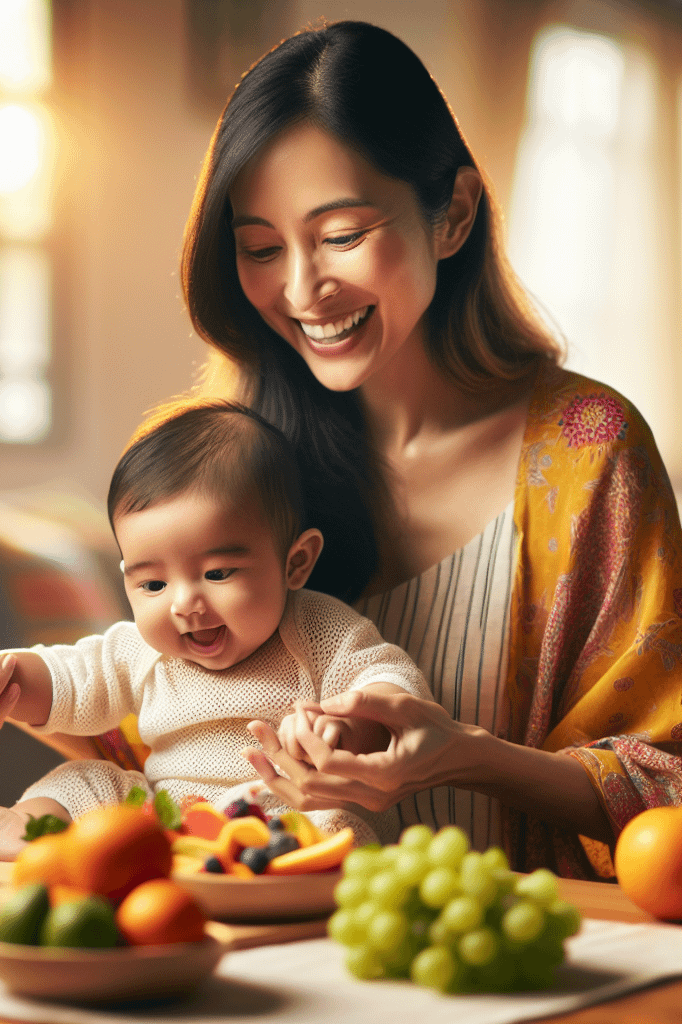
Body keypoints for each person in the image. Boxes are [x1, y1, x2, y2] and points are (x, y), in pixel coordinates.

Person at [174, 20, 682, 879]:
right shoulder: (230, 454)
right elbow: (156, 717)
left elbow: (665, 778)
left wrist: (463, 754)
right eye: (261, 247)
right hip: (269, 953)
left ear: (451, 214)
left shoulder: (591, 451)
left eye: (340, 235)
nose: (301, 289)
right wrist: (3, 695)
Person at [0, 401, 433, 858]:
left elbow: (387, 678)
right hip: (168, 822)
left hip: (285, 818)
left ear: (295, 562)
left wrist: (350, 728)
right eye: (152, 585)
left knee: (340, 820)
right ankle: (24, 829)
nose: (185, 604)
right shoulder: (138, 650)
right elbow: (62, 678)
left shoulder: (318, 629)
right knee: (87, 785)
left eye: (218, 574)